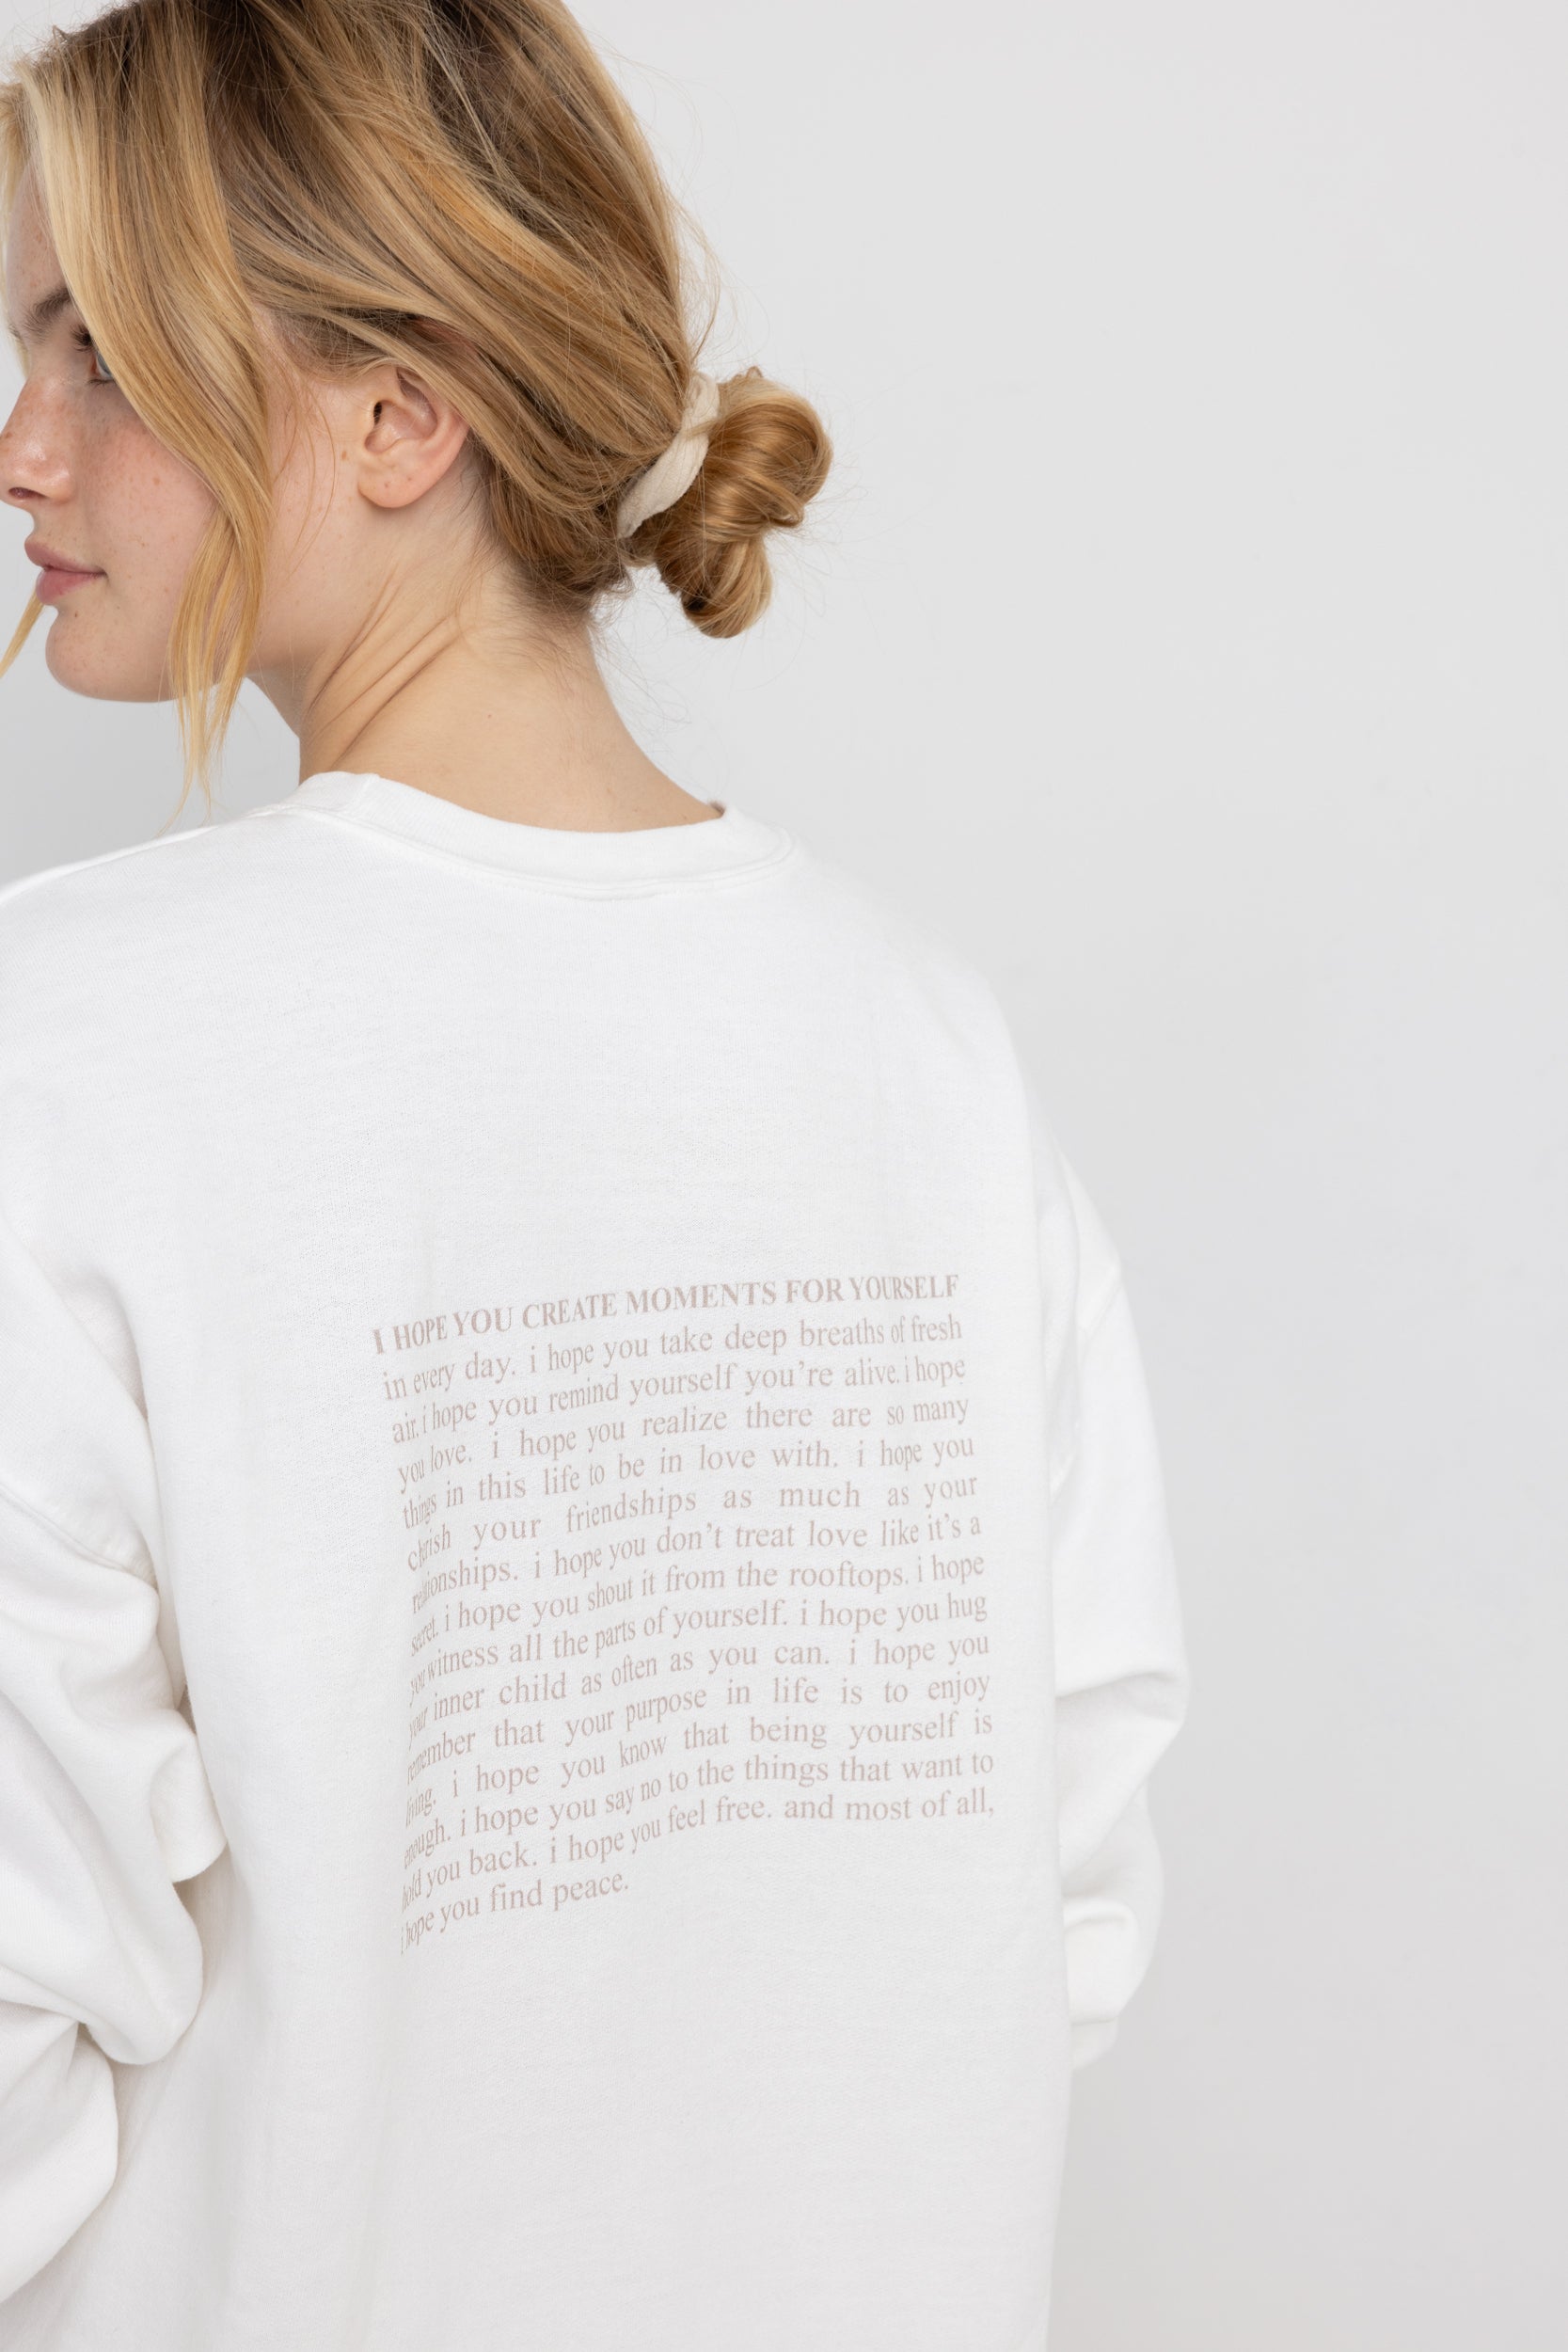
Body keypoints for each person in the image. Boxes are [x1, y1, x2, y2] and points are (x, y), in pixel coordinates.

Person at [0, 1, 1190, 2344]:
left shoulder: (71, 1039)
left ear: (399, 412)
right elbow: (1059, 1900)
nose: (23, 443)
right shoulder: (926, 1047)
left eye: (98, 350)